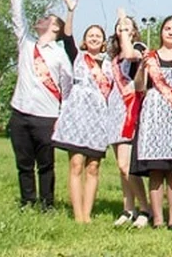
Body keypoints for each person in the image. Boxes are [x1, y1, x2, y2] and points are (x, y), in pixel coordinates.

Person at [8, 0, 72, 211]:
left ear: (55, 27)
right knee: (24, 162)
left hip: (46, 116)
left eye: (47, 18)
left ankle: (47, 203)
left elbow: (66, 87)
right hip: (20, 112)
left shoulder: (59, 55)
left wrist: (61, 116)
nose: (41, 19)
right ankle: (27, 201)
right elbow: (18, 16)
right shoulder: (26, 44)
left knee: (46, 164)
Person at [130, 16, 172, 230]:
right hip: (153, 113)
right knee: (155, 170)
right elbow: (139, 87)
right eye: (167, 28)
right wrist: (142, 68)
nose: (170, 32)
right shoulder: (149, 57)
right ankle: (158, 218)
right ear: (161, 32)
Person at [51, 17, 111, 223]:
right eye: (90, 35)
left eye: (98, 36)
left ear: (104, 41)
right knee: (76, 164)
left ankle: (88, 214)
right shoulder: (77, 57)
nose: (94, 38)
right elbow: (67, 36)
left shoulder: (110, 64)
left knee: (93, 166)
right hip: (78, 116)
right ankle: (78, 215)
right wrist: (71, 11)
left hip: (99, 118)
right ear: (85, 40)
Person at [103, 12, 151, 228]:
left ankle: (145, 209)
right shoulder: (113, 57)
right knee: (120, 167)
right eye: (120, 26)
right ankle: (128, 208)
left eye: (127, 26)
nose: (123, 29)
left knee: (126, 166)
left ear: (133, 31)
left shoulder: (138, 48)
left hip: (130, 109)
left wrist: (123, 24)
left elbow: (131, 55)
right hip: (114, 109)